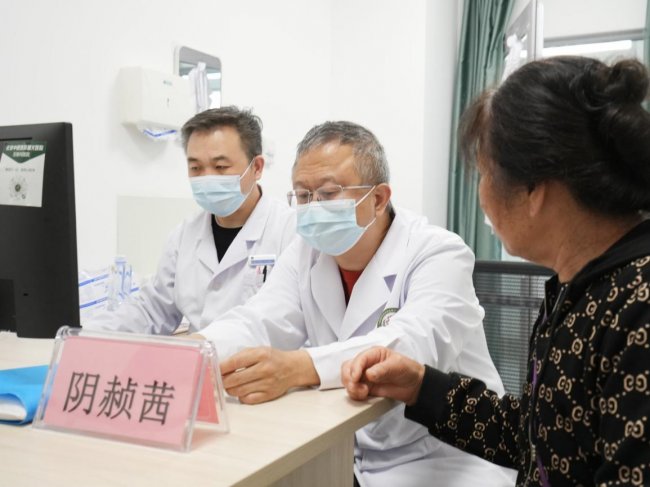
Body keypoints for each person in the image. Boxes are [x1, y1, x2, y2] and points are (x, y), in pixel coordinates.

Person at [342, 56, 650, 486]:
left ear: (534, 189)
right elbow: (539, 436)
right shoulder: (576, 290)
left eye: (484, 173)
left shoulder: (638, 305)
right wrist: (420, 386)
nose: (481, 194)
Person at [198, 121, 516, 486]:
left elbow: (412, 347)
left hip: (445, 455)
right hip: (350, 447)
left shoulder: (439, 252)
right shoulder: (305, 253)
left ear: (378, 199)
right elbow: (258, 319)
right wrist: (196, 350)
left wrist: (299, 367)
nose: (313, 207)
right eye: (302, 196)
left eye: (328, 193)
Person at [84, 106, 296, 334]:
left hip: (256, 357)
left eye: (220, 167)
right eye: (196, 167)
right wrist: (89, 334)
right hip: (197, 354)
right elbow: (153, 310)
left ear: (257, 167)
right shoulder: (185, 234)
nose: (207, 177)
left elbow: (285, 321)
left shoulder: (289, 231)